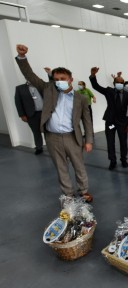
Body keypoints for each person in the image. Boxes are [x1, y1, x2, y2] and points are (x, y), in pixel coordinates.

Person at [15, 44, 94, 202]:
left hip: (73, 137)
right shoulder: (48, 89)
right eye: (56, 79)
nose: (59, 82)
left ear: (70, 79)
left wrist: (89, 140)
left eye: (62, 79)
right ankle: (68, 195)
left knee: (79, 166)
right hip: (52, 137)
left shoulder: (81, 98)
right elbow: (30, 75)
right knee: (61, 168)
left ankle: (84, 191)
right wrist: (22, 57)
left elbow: (87, 120)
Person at [89, 67, 128, 170]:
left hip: (122, 122)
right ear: (114, 83)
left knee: (123, 142)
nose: (119, 84)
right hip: (110, 121)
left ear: (123, 83)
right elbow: (96, 86)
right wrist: (93, 76)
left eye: (121, 82)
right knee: (110, 142)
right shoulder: (109, 91)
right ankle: (112, 161)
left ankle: (123, 159)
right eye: (117, 82)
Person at [14, 81, 44, 155]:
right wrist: (22, 115)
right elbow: (18, 102)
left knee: (48, 131)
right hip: (31, 114)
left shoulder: (41, 85)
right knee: (36, 131)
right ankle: (39, 147)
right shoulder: (20, 88)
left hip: (44, 113)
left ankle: (51, 147)